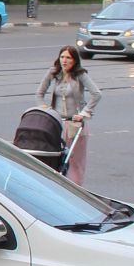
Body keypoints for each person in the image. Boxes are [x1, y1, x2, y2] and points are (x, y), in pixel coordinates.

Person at [36, 46, 102, 184]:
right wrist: (45, 107)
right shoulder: (54, 73)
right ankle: (60, 186)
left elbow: (96, 94)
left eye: (68, 58)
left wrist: (84, 114)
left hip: (75, 124)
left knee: (75, 161)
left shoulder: (80, 75)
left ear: (74, 60)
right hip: (58, 123)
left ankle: (75, 189)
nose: (64, 61)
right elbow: (39, 93)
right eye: (62, 57)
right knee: (58, 158)